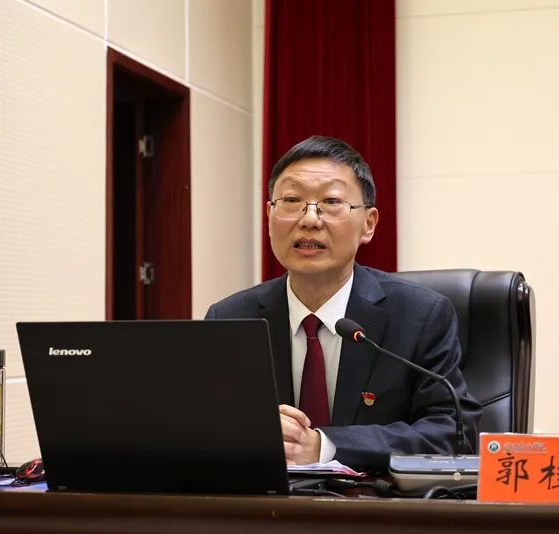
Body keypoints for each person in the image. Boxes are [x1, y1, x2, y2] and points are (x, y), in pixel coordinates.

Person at [205, 135, 481, 472]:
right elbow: (206, 428)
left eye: (331, 201)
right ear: (269, 215)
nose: (309, 219)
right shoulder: (231, 319)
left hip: (377, 502)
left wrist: (324, 446)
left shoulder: (420, 315)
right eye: (291, 200)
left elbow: (452, 432)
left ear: (368, 224)